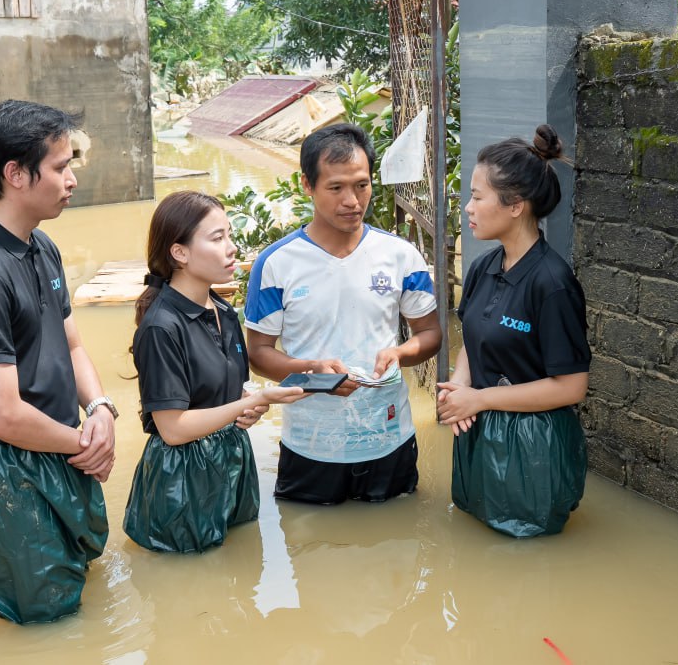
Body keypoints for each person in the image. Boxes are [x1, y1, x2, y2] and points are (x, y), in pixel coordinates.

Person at [0, 99, 116, 624]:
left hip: (60, 444)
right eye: (60, 167)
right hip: (7, 469)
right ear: (15, 174)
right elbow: (2, 414)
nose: (72, 180)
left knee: (81, 587)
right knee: (45, 619)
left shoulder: (40, 246)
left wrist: (100, 408)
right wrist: (87, 444)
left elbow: (71, 344)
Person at [244, 123, 442, 505]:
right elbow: (258, 353)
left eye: (362, 185)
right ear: (307, 185)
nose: (352, 201)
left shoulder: (401, 256)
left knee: (397, 531)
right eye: (336, 188)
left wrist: (400, 353)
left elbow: (430, 333)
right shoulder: (276, 264)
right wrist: (313, 370)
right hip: (311, 444)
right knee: (309, 534)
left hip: (389, 436)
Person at [124, 191, 306, 553]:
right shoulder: (162, 327)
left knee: (243, 563)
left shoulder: (223, 311)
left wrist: (249, 404)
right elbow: (173, 429)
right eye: (217, 238)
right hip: (183, 477)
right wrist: (252, 401)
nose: (232, 247)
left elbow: (222, 394)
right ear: (180, 252)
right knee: (191, 573)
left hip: (232, 459)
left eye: (229, 235)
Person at [436, 124, 590, 537]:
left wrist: (479, 398)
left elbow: (571, 387)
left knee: (526, 552)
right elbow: (473, 338)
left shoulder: (552, 284)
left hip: (533, 445)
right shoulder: (482, 267)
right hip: (478, 429)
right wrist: (459, 387)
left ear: (516, 205)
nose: (467, 208)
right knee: (473, 540)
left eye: (477, 196)